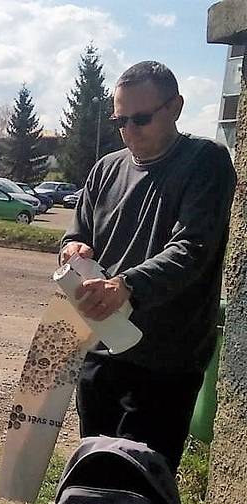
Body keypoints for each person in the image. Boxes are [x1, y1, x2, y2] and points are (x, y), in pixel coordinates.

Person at [60, 60, 236, 472]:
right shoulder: (106, 168)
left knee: (142, 482)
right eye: (120, 120)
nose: (129, 131)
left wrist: (128, 286)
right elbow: (75, 234)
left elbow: (193, 248)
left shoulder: (205, 162)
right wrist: (74, 250)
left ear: (175, 107)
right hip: (100, 349)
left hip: (165, 360)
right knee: (95, 466)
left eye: (140, 119)